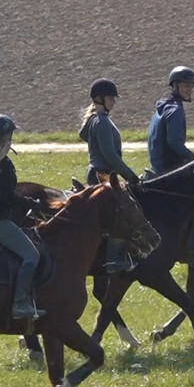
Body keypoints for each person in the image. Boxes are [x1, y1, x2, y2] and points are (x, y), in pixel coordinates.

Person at [0, 113, 45, 322]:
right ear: (5, 136)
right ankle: (20, 304)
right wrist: (32, 204)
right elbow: (7, 197)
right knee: (32, 255)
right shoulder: (3, 163)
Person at [147, 65, 194, 259]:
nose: (189, 89)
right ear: (175, 86)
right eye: (185, 86)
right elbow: (174, 143)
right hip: (171, 169)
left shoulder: (162, 107)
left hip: (159, 168)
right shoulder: (175, 110)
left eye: (191, 86)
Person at [79, 77, 138, 273]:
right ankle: (114, 258)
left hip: (101, 172)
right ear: (100, 99)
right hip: (102, 173)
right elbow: (110, 155)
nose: (114, 101)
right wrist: (129, 174)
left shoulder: (96, 120)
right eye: (111, 98)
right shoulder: (102, 122)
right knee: (121, 212)